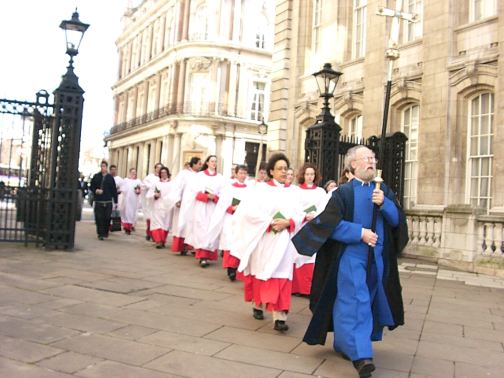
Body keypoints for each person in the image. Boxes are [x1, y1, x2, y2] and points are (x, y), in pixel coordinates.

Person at [292, 146, 408, 378]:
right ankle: (363, 356)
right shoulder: (343, 193)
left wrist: (385, 205)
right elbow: (329, 224)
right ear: (353, 165)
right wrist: (360, 233)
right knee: (358, 301)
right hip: (352, 257)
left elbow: (397, 221)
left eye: (373, 158)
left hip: (378, 259)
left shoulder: (382, 189)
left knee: (371, 299)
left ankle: (346, 343)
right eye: (366, 159)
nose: (372, 162)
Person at [232, 153, 305, 332]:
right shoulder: (260, 190)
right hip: (265, 239)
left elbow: (300, 213)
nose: (283, 172)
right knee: (262, 272)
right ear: (271, 171)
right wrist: (269, 223)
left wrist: (289, 222)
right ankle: (258, 304)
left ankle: (280, 317)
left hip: (285, 240)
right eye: (279, 168)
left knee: (282, 275)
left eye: (285, 168)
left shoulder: (293, 191)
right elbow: (248, 213)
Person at [207, 164, 249, 281]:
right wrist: (232, 208)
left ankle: (237, 268)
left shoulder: (250, 189)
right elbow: (222, 204)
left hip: (243, 220)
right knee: (230, 243)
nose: (242, 175)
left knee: (240, 243)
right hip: (230, 219)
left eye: (245, 173)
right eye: (240, 173)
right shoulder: (229, 188)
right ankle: (231, 269)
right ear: (236, 174)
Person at [291, 163, 326, 296]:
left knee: (311, 256)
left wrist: (315, 216)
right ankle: (296, 288)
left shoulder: (321, 192)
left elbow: (324, 207)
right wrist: (303, 216)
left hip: (314, 226)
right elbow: (294, 207)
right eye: (307, 174)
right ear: (302, 175)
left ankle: (308, 289)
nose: (310, 177)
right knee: (297, 254)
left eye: (312, 174)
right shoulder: (296, 191)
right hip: (300, 225)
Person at [184, 155, 225, 267]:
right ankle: (202, 257)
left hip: (214, 208)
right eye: (212, 161)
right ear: (207, 163)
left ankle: (208, 255)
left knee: (211, 230)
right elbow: (193, 192)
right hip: (202, 207)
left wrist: (215, 197)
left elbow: (223, 193)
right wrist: (207, 197)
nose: (214, 163)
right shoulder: (199, 176)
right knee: (201, 230)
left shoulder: (220, 178)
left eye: (215, 161)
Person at [170, 157, 202, 254]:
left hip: (197, 203)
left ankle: (192, 246)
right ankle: (182, 247)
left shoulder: (201, 175)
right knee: (184, 224)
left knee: (194, 224)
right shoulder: (184, 173)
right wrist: (177, 199)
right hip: (186, 203)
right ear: (194, 164)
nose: (201, 165)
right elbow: (177, 186)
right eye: (199, 163)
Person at [146, 166, 174, 249]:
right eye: (162, 173)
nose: (163, 174)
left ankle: (163, 240)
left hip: (168, 207)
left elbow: (175, 195)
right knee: (156, 224)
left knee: (166, 224)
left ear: (168, 174)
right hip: (157, 206)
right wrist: (154, 195)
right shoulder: (156, 184)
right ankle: (158, 241)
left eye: (165, 173)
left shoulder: (172, 184)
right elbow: (149, 195)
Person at [90, 161, 118, 240]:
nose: (103, 168)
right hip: (99, 200)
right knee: (99, 218)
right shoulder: (96, 176)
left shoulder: (110, 178)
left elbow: (114, 190)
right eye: (102, 166)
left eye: (104, 166)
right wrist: (96, 191)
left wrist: (116, 201)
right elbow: (92, 186)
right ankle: (100, 234)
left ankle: (105, 232)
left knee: (107, 218)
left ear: (106, 167)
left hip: (108, 201)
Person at [142, 163, 162, 241]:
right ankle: (149, 233)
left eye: (161, 168)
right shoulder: (150, 177)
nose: (159, 169)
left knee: (157, 218)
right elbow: (144, 185)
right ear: (155, 168)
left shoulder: (162, 178)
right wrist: (151, 188)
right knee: (150, 217)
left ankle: (155, 234)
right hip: (150, 201)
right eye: (158, 167)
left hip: (159, 201)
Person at [120, 168, 142, 234]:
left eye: (135, 172)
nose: (134, 174)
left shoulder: (138, 181)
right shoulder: (126, 180)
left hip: (134, 200)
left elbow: (141, 188)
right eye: (132, 172)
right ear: (129, 173)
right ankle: (127, 227)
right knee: (126, 213)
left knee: (132, 214)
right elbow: (122, 188)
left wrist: (138, 191)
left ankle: (129, 227)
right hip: (127, 200)